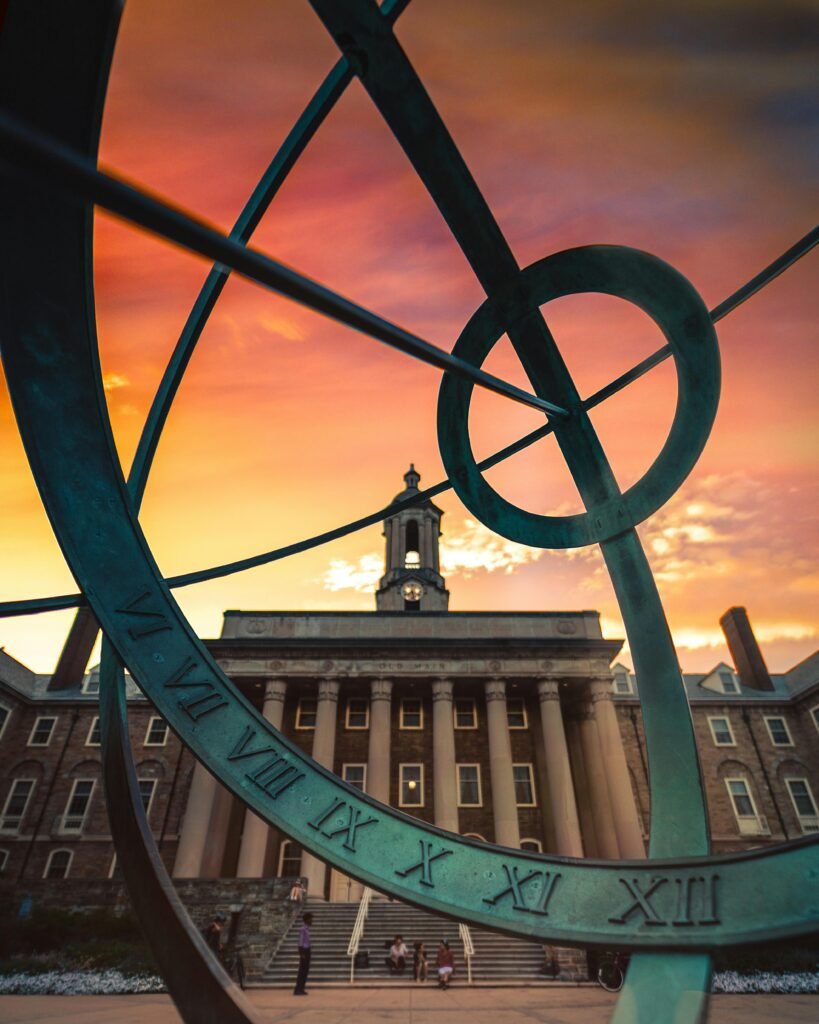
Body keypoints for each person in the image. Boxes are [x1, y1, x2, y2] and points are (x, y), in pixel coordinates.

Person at [293, 911, 313, 995]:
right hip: (304, 951)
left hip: (307, 951)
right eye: (311, 919)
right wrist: (302, 954)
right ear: (307, 920)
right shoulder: (303, 930)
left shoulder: (307, 929)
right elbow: (300, 943)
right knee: (302, 971)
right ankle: (298, 989)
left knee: (305, 971)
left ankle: (301, 988)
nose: (312, 921)